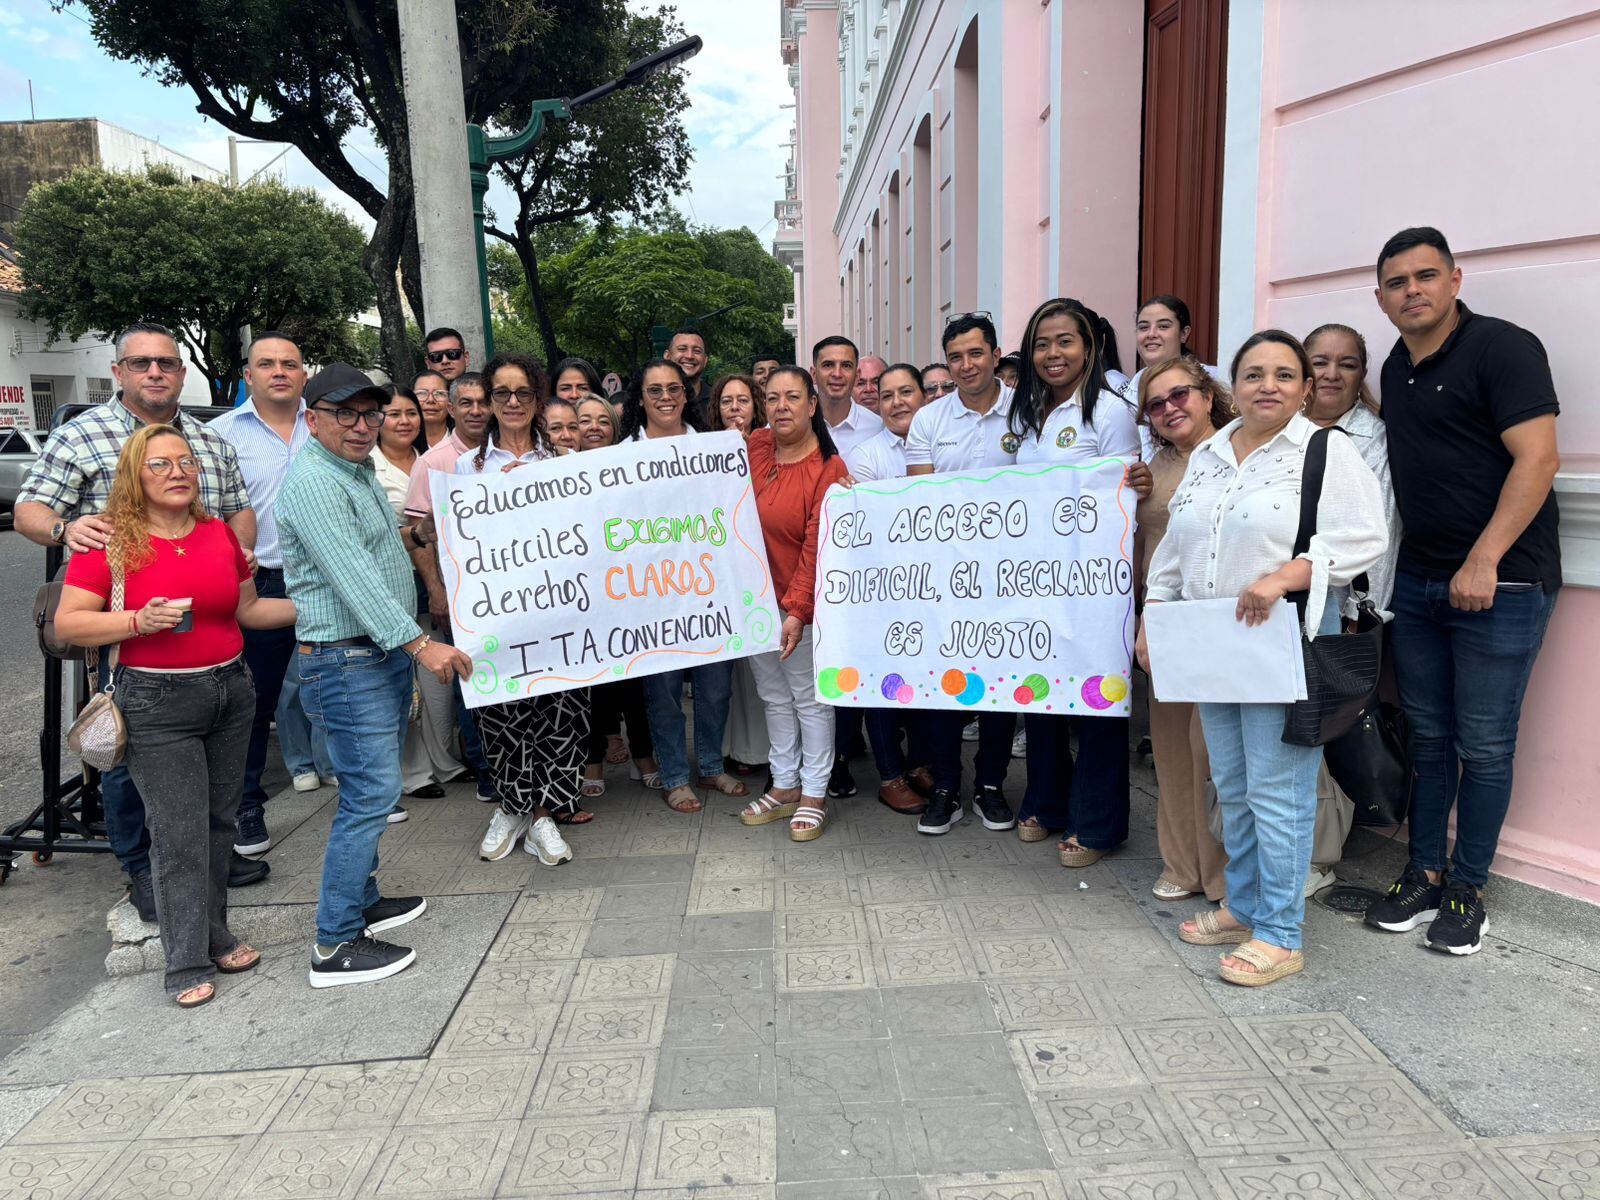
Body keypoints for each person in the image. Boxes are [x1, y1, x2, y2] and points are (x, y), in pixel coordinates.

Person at [1139, 330, 1387, 987]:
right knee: (1234, 783)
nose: (1268, 386)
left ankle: (1281, 932)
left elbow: (1366, 537)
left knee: (1280, 788)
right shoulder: (1212, 454)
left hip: (1286, 637)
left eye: (1283, 374)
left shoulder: (1324, 450)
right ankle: (1244, 905)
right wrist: (1154, 610)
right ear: (1234, 387)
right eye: (1254, 374)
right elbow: (1178, 545)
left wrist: (1284, 577)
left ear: (1306, 388)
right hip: (1213, 641)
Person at [15, 321, 263, 918]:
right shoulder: (82, 436)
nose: (156, 372)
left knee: (209, 746)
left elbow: (237, 511)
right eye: (142, 363)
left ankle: (204, 852)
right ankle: (143, 869)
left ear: (181, 373)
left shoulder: (206, 442)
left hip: (204, 619)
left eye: (167, 364)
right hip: (119, 622)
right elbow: (29, 508)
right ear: (118, 373)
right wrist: (64, 529)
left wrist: (236, 564)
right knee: (132, 748)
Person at [1363, 226, 1562, 956]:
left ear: (1455, 279)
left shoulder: (1504, 348)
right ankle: (1421, 871)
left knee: (1484, 743)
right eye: (1396, 282)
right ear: (1380, 298)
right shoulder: (1395, 365)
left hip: (1501, 582)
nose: (1411, 290)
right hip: (1419, 582)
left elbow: (1537, 460)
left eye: (1424, 276)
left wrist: (1482, 561)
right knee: (1431, 735)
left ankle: (1468, 888)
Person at [55, 426, 296, 1007]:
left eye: (184, 462)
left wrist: (326, 609)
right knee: (178, 832)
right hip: (156, 700)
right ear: (135, 476)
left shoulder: (217, 534)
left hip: (232, 691)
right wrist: (139, 620)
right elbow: (69, 624)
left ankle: (214, 934)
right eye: (160, 465)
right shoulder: (110, 542)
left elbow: (250, 608)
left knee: (219, 823)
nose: (177, 472)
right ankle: (184, 961)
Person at [277, 362, 472, 989]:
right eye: (345, 415)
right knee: (369, 798)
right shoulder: (313, 482)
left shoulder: (351, 471)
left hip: (371, 655)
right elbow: (352, 579)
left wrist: (417, 532)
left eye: (370, 413)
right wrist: (420, 645)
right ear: (313, 420)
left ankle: (361, 903)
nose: (362, 426)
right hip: (347, 658)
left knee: (370, 791)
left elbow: (378, 549)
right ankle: (334, 944)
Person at [1008, 299, 1139, 866]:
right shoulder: (1028, 414)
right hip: (1035, 580)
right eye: (1042, 343)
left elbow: (1125, 496)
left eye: (1065, 341)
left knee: (1095, 703)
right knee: (1040, 693)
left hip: (1093, 585)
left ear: (1089, 346)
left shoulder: (1109, 412)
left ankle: (1098, 823)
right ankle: (1046, 800)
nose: (1052, 354)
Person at [457, 354, 593, 847]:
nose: (512, 402)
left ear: (537, 399)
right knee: (501, 712)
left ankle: (544, 814)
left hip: (559, 610)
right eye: (502, 394)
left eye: (523, 393)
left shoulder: (562, 463)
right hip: (496, 615)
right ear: (489, 401)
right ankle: (511, 808)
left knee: (559, 711)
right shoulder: (463, 469)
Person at [209, 331, 329, 859]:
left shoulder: (329, 423)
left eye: (290, 363)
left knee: (345, 687)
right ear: (248, 374)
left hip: (328, 578)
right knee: (253, 701)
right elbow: (201, 509)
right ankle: (247, 807)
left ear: (304, 373)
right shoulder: (217, 435)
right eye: (267, 364)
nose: (279, 371)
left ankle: (367, 789)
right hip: (259, 583)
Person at [904, 313, 1020, 835]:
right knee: (942, 686)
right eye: (955, 357)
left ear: (996, 355)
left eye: (976, 353)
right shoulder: (929, 420)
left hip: (1011, 578)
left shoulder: (1029, 411)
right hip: (946, 581)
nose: (966, 365)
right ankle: (947, 786)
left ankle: (990, 783)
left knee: (998, 681)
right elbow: (922, 502)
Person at [1300, 321, 1399, 896]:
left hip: (1342, 611)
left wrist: (1370, 610)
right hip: (1278, 610)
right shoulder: (1281, 428)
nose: (1332, 374)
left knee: (1323, 734)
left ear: (1363, 375)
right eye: (1319, 361)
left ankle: (1319, 857)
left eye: (1347, 363)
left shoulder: (1373, 439)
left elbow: (1383, 530)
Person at [623, 361, 747, 813]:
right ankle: (675, 775)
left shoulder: (714, 450)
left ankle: (712, 766)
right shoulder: (621, 457)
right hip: (653, 595)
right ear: (640, 397)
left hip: (711, 589)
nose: (665, 397)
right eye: (654, 389)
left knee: (716, 687)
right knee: (664, 691)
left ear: (685, 394)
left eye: (673, 388)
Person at [1134, 356, 1232, 903]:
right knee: (1172, 749)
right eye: (1156, 403)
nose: (1170, 408)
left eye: (1180, 395)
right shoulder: (1154, 467)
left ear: (1207, 393)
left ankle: (1223, 876)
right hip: (1164, 620)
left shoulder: (1241, 451)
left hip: (1224, 620)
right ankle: (1181, 866)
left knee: (1214, 752)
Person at [736, 368, 850, 840]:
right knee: (774, 697)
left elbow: (816, 546)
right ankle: (784, 784)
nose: (781, 406)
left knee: (809, 699)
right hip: (753, 604)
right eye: (773, 398)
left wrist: (797, 611)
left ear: (812, 405)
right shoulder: (755, 448)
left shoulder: (830, 469)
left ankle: (815, 791)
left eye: (792, 397)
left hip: (801, 609)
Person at [371, 388, 466, 801]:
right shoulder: (367, 467)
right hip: (392, 585)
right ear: (378, 420)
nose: (405, 420)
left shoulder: (431, 459)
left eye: (411, 412)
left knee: (437, 679)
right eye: (394, 414)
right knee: (403, 680)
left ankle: (445, 760)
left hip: (440, 583)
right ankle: (413, 772)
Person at [850, 363, 935, 814]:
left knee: (924, 681)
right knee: (882, 684)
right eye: (887, 396)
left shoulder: (945, 445)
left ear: (924, 396)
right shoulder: (866, 456)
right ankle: (889, 775)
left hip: (938, 589)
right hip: (884, 589)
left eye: (906, 392)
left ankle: (921, 763)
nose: (898, 402)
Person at [572, 395, 662, 801]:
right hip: (581, 596)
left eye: (602, 421)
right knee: (594, 686)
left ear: (614, 428)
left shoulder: (632, 468)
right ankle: (592, 760)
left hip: (630, 591)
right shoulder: (556, 474)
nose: (593, 428)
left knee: (636, 681)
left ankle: (644, 755)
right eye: (583, 421)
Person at [811, 336, 882, 798]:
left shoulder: (876, 428)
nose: (837, 373)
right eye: (828, 365)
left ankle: (846, 753)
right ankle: (826, 758)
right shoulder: (794, 420)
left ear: (857, 374)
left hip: (858, 563)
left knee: (852, 655)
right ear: (813, 371)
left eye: (846, 365)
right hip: (805, 557)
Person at [705, 373, 772, 777]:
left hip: (765, 563)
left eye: (743, 400)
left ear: (755, 405)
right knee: (735, 667)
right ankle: (739, 750)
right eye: (727, 401)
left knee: (764, 665)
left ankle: (769, 749)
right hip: (723, 569)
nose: (735, 408)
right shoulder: (703, 451)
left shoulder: (769, 447)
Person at [666, 328, 712, 422]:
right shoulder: (653, 400)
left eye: (697, 351)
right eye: (682, 349)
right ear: (667, 356)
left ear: (705, 360)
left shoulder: (718, 400)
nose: (689, 356)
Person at [412, 372, 453, 448]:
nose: (430, 400)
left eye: (439, 393)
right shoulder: (403, 446)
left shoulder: (465, 441)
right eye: (422, 393)